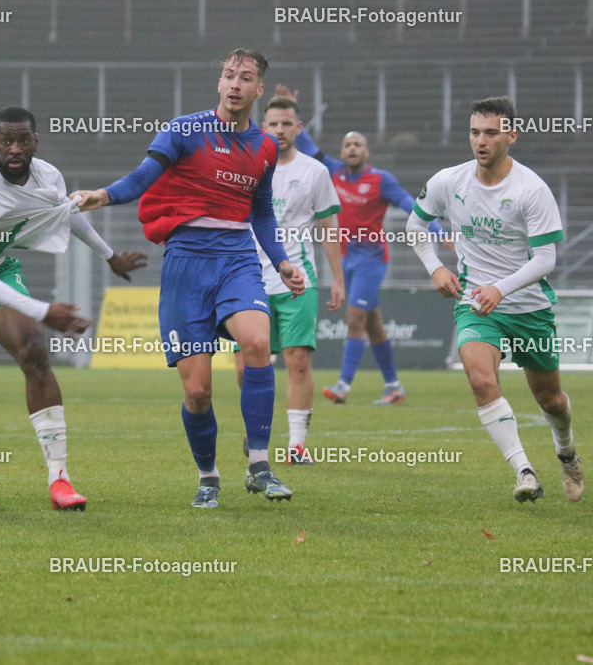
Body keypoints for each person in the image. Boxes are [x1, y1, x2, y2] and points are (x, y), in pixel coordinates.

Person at [76, 49, 305, 509]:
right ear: (219, 83)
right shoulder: (184, 129)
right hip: (186, 260)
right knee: (198, 390)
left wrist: (280, 261)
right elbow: (143, 178)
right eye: (228, 76)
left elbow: (260, 212)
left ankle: (259, 465)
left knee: (258, 344)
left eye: (245, 78)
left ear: (259, 90)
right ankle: (208, 477)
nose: (235, 84)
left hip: (237, 257)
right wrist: (102, 195)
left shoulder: (265, 146)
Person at [0, 106, 147, 511]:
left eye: (23, 140)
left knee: (34, 351)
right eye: (6, 141)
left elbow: (67, 213)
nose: (15, 149)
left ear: (36, 142)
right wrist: (43, 309)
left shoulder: (48, 176)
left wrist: (108, 255)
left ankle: (60, 478)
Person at [407, 95, 583, 503]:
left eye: (490, 132)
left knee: (551, 400)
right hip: (476, 304)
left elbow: (546, 260)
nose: (480, 141)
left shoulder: (531, 189)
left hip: (529, 308)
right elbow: (416, 226)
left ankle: (567, 451)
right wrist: (435, 267)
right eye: (474, 132)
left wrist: (501, 288)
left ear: (511, 136)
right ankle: (524, 471)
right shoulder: (449, 181)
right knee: (480, 378)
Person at [277, 85, 442, 405]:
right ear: (342, 152)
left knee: (354, 318)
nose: (352, 149)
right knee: (373, 324)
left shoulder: (381, 180)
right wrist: (294, 114)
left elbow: (410, 203)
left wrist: (436, 229)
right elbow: (308, 147)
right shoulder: (334, 172)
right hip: (344, 257)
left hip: (370, 258)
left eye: (358, 145)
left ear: (366, 153)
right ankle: (394, 385)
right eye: (347, 144)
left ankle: (343, 385)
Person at [233, 96, 344, 465]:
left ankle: (297, 447)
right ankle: (254, 429)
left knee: (298, 361)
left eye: (287, 124)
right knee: (247, 364)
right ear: (262, 127)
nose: (280, 130)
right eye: (273, 124)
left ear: (299, 128)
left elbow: (328, 229)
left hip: (298, 277)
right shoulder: (244, 166)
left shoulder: (315, 172)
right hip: (248, 278)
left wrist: (338, 279)